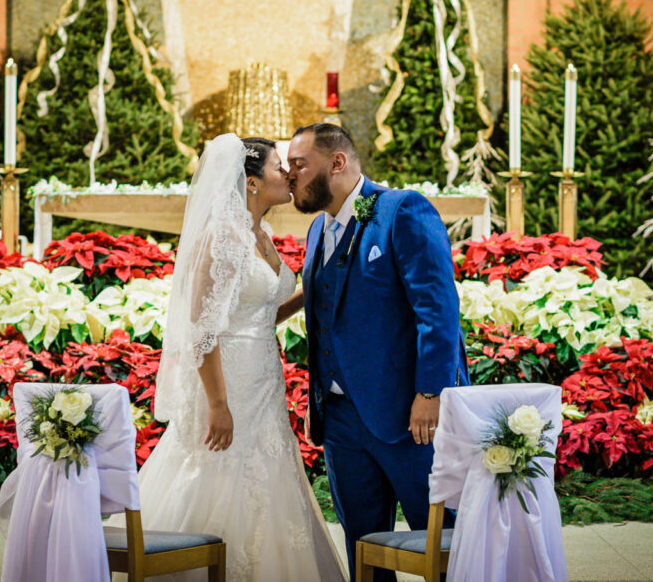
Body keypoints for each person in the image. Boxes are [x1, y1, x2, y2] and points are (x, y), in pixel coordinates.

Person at [116, 133, 345, 581]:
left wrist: (309, 292)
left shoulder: (261, 234)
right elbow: (203, 329)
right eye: (280, 167)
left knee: (267, 475)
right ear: (252, 181)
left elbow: (256, 314)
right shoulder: (223, 235)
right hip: (229, 383)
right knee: (219, 473)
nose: (289, 175)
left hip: (263, 380)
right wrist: (218, 404)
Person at [287, 123, 468, 582]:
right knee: (363, 547)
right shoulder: (317, 229)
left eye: (299, 164)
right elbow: (325, 316)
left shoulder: (401, 210)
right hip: (341, 423)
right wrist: (318, 397)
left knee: (443, 542)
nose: (290, 175)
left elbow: (438, 310)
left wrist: (431, 393)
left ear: (337, 162)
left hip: (410, 416)